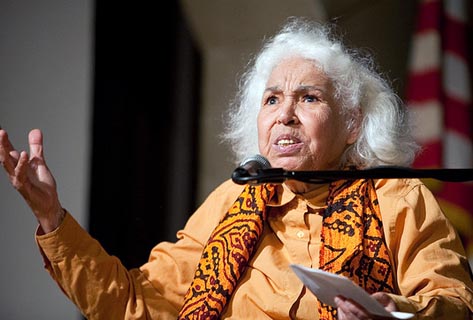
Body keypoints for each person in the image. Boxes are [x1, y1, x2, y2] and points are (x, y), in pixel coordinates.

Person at [1, 17, 472, 320]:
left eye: (308, 98)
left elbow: (455, 302)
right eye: (272, 100)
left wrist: (395, 313)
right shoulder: (232, 201)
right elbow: (135, 304)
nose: (284, 115)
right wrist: (52, 219)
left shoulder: (397, 198)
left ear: (352, 124)